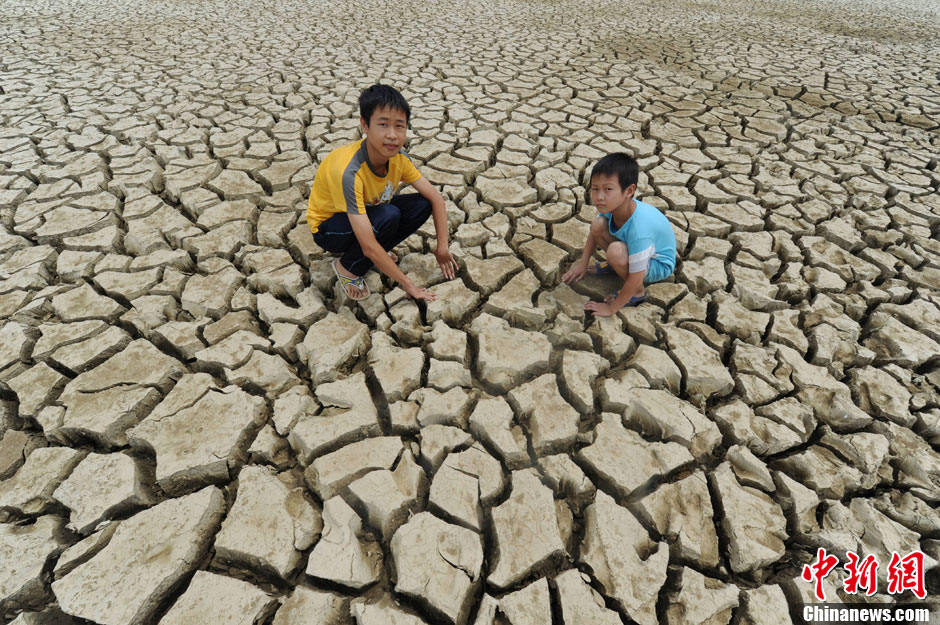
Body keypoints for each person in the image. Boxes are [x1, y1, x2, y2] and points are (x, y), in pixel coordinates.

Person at [307, 84, 457, 301]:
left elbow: (436, 199)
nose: (393, 135)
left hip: (367, 212)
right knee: (388, 216)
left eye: (400, 126)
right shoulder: (349, 172)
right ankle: (347, 267)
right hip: (329, 228)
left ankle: (380, 248)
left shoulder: (398, 159)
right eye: (383, 124)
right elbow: (368, 246)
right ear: (365, 125)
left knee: (422, 204)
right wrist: (409, 285)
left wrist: (442, 248)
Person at [561, 152, 677, 317]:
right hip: (636, 251)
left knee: (615, 252)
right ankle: (617, 265)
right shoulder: (614, 208)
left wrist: (611, 308)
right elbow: (595, 233)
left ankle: (637, 293)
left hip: (658, 263)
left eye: (608, 189)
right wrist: (583, 262)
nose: (599, 197)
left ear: (629, 191)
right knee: (598, 225)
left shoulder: (640, 229)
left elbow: (636, 278)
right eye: (595, 189)